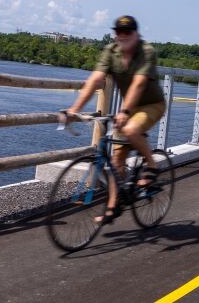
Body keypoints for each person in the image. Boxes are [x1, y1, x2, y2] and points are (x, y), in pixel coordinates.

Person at [63, 15, 166, 224]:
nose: (123, 35)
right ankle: (113, 208)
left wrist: (124, 111)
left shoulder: (146, 52)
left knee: (130, 130)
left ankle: (152, 165)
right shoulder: (111, 52)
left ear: (136, 34)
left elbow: (138, 84)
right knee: (116, 161)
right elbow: (95, 79)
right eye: (119, 32)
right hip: (128, 108)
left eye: (128, 32)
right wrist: (74, 109)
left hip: (151, 105)